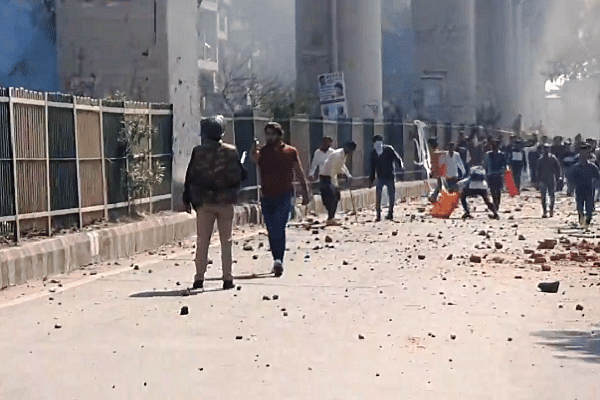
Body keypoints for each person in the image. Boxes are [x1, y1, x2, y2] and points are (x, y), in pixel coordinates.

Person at [183, 116, 246, 290]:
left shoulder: (198, 151)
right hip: (226, 202)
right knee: (227, 240)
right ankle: (227, 278)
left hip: (204, 202)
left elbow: (190, 177)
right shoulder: (231, 151)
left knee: (203, 240)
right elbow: (241, 175)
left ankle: (199, 278)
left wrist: (187, 199)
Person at [252, 122, 310, 277]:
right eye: (267, 134)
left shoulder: (290, 151)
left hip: (284, 195)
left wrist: (305, 192)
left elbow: (299, 171)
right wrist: (254, 154)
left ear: (279, 135)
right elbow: (258, 164)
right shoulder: (263, 152)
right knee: (271, 229)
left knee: (279, 226)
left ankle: (279, 260)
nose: (269, 137)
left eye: (272, 134)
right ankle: (276, 259)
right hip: (266, 196)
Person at [319, 141, 357, 226]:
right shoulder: (337, 155)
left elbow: (342, 166)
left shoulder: (344, 155)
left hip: (332, 177)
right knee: (331, 197)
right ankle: (330, 218)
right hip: (326, 177)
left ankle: (331, 218)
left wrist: (348, 175)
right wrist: (335, 185)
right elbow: (332, 170)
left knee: (337, 197)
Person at [369, 135, 404, 221]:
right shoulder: (374, 153)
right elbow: (373, 168)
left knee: (389, 196)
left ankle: (389, 213)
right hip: (382, 177)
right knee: (381, 196)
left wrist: (400, 165)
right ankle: (379, 215)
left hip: (389, 176)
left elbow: (397, 158)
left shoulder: (388, 149)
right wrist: (371, 179)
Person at [569, 144, 600, 227]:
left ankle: (587, 223)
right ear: (580, 153)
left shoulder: (592, 167)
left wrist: (597, 190)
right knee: (580, 207)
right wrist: (571, 189)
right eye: (584, 152)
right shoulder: (575, 167)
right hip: (579, 189)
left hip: (589, 189)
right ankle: (582, 221)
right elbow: (571, 179)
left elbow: (598, 178)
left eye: (587, 152)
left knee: (589, 208)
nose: (586, 154)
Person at [536, 144, 562, 218]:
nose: (546, 150)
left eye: (547, 148)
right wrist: (537, 181)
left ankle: (551, 209)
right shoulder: (540, 159)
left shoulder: (553, 158)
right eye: (545, 148)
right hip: (543, 179)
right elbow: (538, 171)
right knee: (543, 196)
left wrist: (559, 177)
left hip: (551, 178)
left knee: (552, 195)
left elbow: (558, 168)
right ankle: (544, 211)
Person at [484, 139, 506, 217]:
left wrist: (503, 173)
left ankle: (497, 206)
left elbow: (504, 165)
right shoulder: (488, 154)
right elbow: (486, 165)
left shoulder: (501, 154)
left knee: (498, 192)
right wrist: (486, 174)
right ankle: (495, 208)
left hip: (498, 175)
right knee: (493, 192)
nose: (495, 147)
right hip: (491, 175)